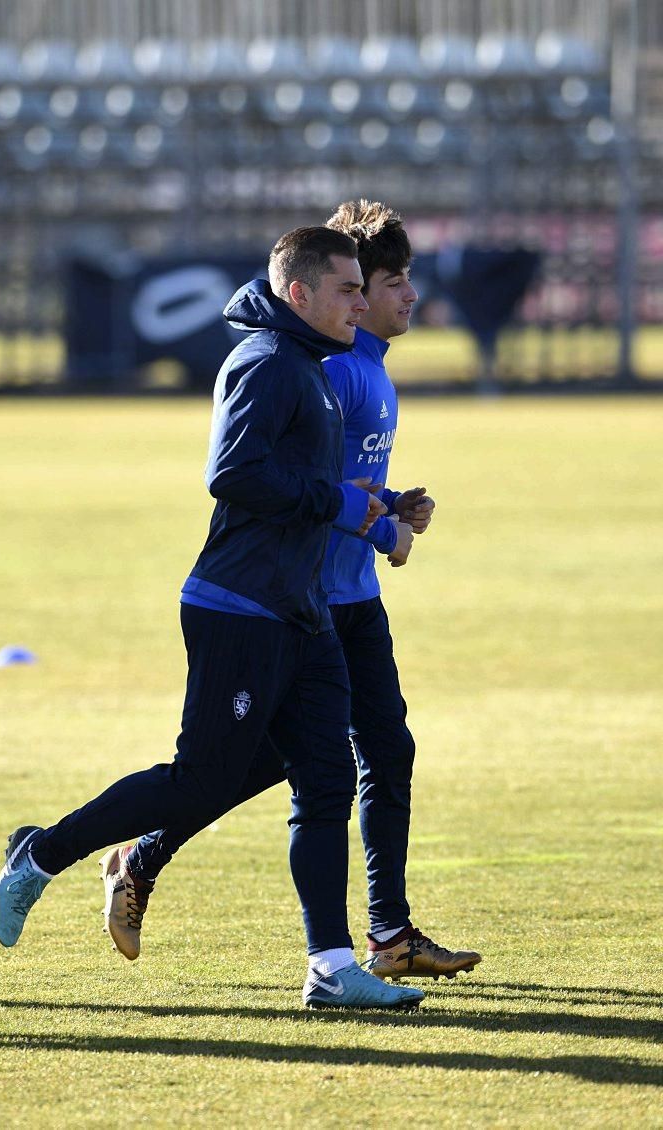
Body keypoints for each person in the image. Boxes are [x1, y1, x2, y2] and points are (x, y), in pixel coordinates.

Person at [0, 224, 425, 1013]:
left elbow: (305, 476)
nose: (361, 301)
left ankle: (329, 966)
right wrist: (340, 503)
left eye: (366, 288)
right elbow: (232, 474)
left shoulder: (316, 363)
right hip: (241, 608)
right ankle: (40, 855)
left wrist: (381, 505)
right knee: (203, 779)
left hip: (304, 609)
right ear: (300, 293)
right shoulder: (265, 361)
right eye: (348, 289)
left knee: (327, 779)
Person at [103, 202, 482, 984]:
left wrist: (388, 509)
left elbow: (345, 486)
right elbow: (300, 489)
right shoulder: (334, 367)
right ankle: (147, 857)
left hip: (354, 597)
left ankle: (386, 933)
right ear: (350, 290)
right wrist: (382, 531)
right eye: (391, 280)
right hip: (310, 602)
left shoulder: (367, 367)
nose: (409, 293)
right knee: (274, 763)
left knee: (373, 750)